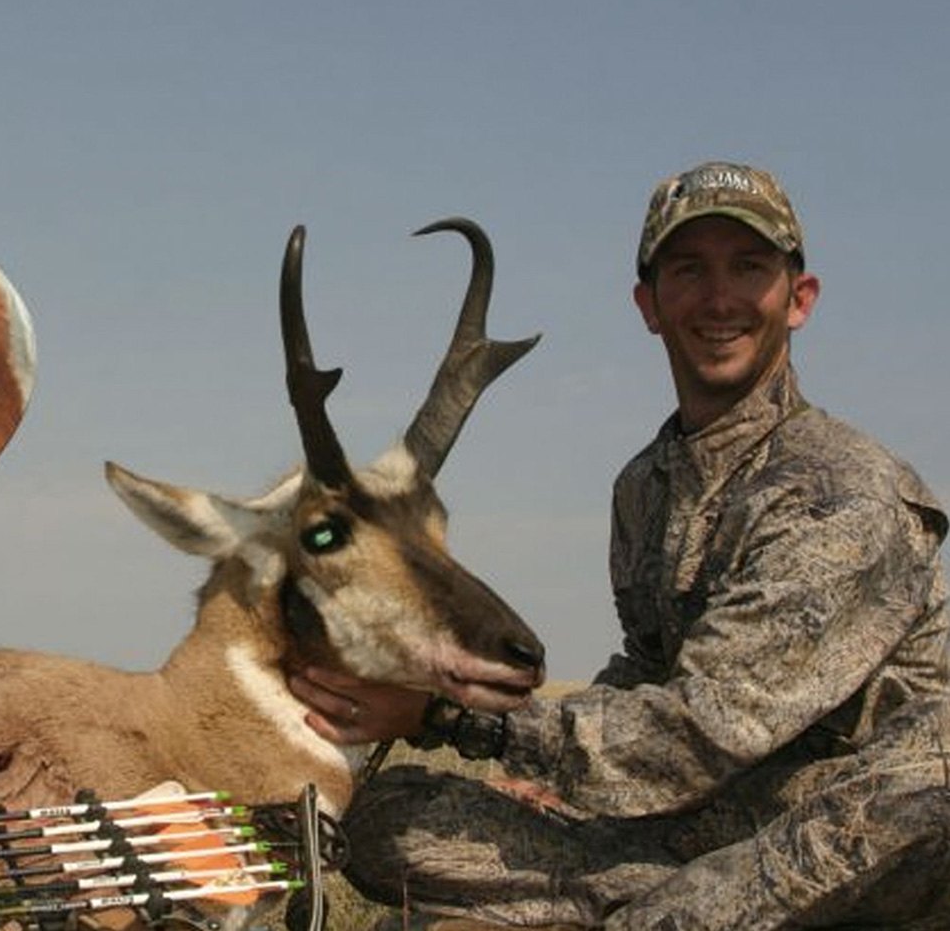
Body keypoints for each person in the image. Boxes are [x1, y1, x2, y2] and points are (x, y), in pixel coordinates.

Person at [289, 161, 950, 929]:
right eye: (688, 270)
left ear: (799, 299)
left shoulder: (843, 492)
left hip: (850, 832)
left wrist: (447, 716)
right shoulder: (647, 486)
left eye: (749, 268)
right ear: (649, 305)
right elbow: (648, 669)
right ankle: (632, 901)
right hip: (707, 824)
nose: (720, 299)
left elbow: (702, 729)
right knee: (388, 820)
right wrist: (559, 784)